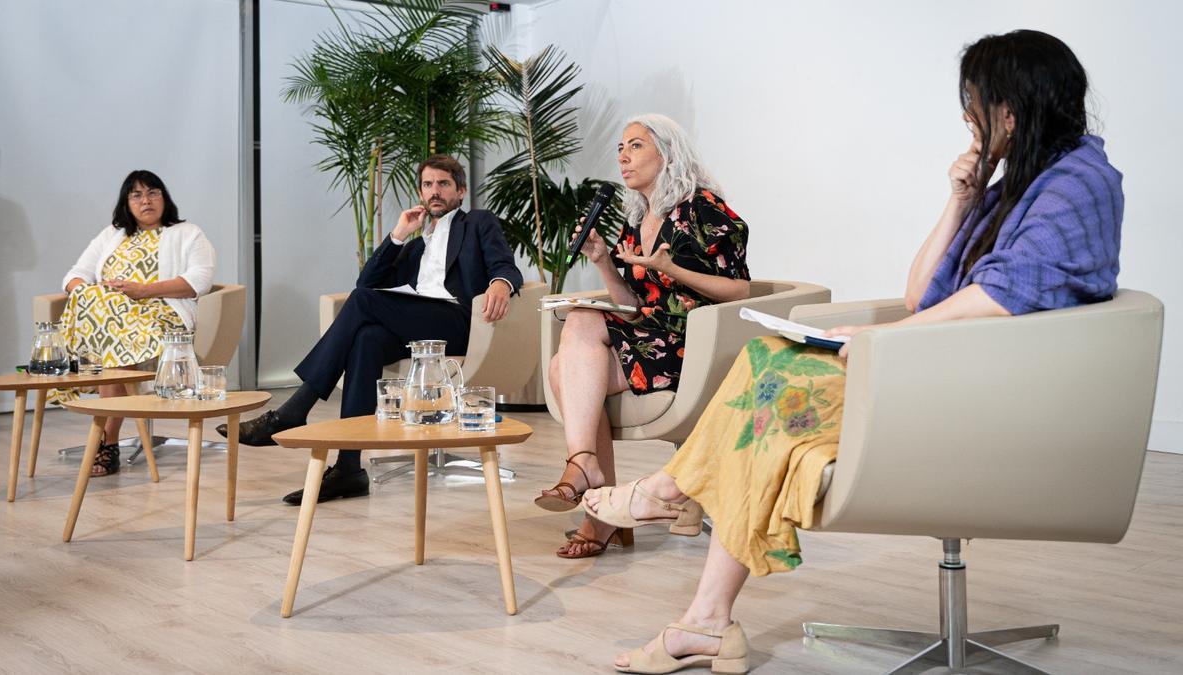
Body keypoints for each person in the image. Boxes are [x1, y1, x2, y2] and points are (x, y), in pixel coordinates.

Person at [583, 29, 1122, 673]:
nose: (966, 118)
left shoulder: (1078, 183)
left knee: (771, 399)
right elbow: (923, 293)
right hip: (958, 371)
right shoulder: (1016, 185)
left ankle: (668, 503)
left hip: (995, 399)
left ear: (1010, 109)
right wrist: (961, 199)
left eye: (973, 102)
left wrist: (879, 338)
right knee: (767, 381)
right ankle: (703, 617)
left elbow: (1003, 299)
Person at [219, 154, 523, 505]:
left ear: (461, 191)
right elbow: (367, 281)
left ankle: (292, 411)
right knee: (366, 340)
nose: (435, 191)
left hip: (457, 321)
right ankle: (349, 467)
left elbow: (505, 264)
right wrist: (397, 235)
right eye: (427, 184)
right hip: (415, 324)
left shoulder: (478, 223)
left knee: (363, 302)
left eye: (443, 184)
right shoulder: (416, 245)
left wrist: (501, 283)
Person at [536, 114, 751, 559]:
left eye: (635, 146)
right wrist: (603, 262)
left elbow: (740, 289)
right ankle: (592, 481)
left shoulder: (702, 207)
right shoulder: (637, 217)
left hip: (692, 346)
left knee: (568, 366)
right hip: (648, 336)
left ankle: (592, 496)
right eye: (620, 148)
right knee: (576, 343)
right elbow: (633, 303)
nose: (623, 156)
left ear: (667, 153)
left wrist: (673, 269)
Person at [57, 170, 216, 476]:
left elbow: (200, 280)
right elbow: (75, 275)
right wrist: (91, 294)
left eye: (153, 193)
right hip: (109, 319)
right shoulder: (112, 234)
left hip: (163, 316)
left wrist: (144, 291)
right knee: (106, 314)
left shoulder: (188, 233)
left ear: (164, 198)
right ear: (126, 203)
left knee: (114, 334)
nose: (146, 200)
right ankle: (108, 439)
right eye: (137, 195)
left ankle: (107, 441)